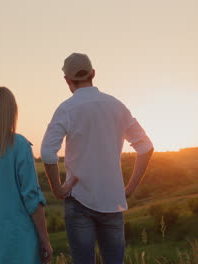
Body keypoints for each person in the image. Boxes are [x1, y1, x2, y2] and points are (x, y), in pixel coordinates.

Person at [41, 53, 154, 264]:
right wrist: (129, 188)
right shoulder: (116, 106)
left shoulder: (66, 109)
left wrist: (57, 188)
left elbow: (47, 153)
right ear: (93, 74)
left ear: (67, 80)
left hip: (79, 200)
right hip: (113, 201)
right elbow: (146, 147)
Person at [0, 86, 60, 264]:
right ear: (12, 112)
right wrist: (45, 239)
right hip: (20, 245)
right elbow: (31, 197)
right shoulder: (20, 145)